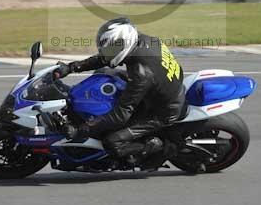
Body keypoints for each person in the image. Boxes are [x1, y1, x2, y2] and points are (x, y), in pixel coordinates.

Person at [53, 16, 185, 163]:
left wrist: (82, 129)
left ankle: (159, 146)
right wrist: (71, 67)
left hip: (162, 111)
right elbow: (104, 58)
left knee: (112, 142)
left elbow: (120, 115)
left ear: (124, 42)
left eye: (110, 48)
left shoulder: (141, 73)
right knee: (104, 74)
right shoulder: (143, 40)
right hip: (159, 88)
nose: (107, 53)